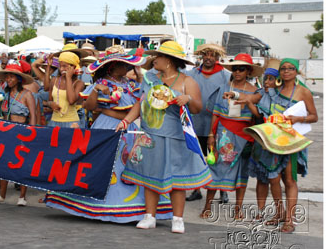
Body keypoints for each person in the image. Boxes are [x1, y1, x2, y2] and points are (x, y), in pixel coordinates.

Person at [45, 50, 173, 222]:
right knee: (106, 166)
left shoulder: (131, 84)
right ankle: (100, 206)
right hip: (106, 128)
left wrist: (137, 73)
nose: (126, 66)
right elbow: (89, 106)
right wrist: (96, 90)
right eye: (122, 64)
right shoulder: (101, 82)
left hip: (127, 129)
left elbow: (138, 105)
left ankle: (130, 206)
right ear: (113, 67)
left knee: (129, 165)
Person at [117, 41, 212, 233]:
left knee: (178, 179)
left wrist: (188, 100)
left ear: (168, 61)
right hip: (151, 135)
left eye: (158, 57)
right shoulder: (150, 78)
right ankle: (149, 216)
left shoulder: (187, 81)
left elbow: (198, 108)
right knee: (150, 175)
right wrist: (126, 121)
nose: (154, 60)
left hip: (176, 137)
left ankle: (177, 219)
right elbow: (140, 103)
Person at [246, 58, 318, 233]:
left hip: (292, 141)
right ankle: (279, 213)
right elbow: (257, 101)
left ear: (296, 71)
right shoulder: (274, 91)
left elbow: (314, 116)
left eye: (290, 68)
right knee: (273, 178)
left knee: (289, 179)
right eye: (283, 68)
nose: (286, 71)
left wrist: (298, 119)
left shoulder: (303, 91)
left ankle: (289, 220)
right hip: (273, 140)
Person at [200, 53, 263, 220]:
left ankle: (238, 208)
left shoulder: (255, 92)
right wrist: (211, 134)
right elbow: (215, 113)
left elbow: (259, 116)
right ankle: (208, 206)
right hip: (224, 134)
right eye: (235, 68)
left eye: (241, 69)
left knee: (242, 172)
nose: (237, 72)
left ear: (248, 71)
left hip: (245, 136)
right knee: (216, 168)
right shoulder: (224, 88)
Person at [240, 58, 284, 220]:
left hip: (278, 142)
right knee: (262, 178)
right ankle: (261, 210)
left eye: (271, 78)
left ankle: (280, 211)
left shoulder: (282, 97)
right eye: (266, 78)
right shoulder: (261, 93)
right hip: (261, 141)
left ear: (278, 81)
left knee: (274, 178)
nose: (267, 81)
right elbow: (257, 112)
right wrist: (243, 98)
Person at [186, 44, 231, 204]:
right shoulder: (191, 74)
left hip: (216, 124)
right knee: (196, 156)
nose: (209, 58)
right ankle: (196, 189)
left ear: (217, 58)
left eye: (212, 55)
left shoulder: (226, 75)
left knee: (217, 158)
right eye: (206, 55)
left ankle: (223, 190)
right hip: (195, 122)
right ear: (201, 57)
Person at [0, 64, 37, 206]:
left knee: (21, 163)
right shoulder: (4, 95)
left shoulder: (27, 95)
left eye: (11, 76)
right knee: (4, 164)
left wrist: (32, 133)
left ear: (19, 79)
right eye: (7, 77)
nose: (8, 79)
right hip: (6, 133)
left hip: (22, 132)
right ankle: (2, 195)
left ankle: (22, 196)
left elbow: (33, 115)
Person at [46, 51, 85, 128]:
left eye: (64, 66)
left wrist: (68, 77)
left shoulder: (79, 83)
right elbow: (48, 96)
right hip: (54, 121)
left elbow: (71, 101)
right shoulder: (55, 80)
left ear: (73, 67)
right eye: (60, 66)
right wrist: (51, 104)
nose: (61, 69)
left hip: (72, 123)